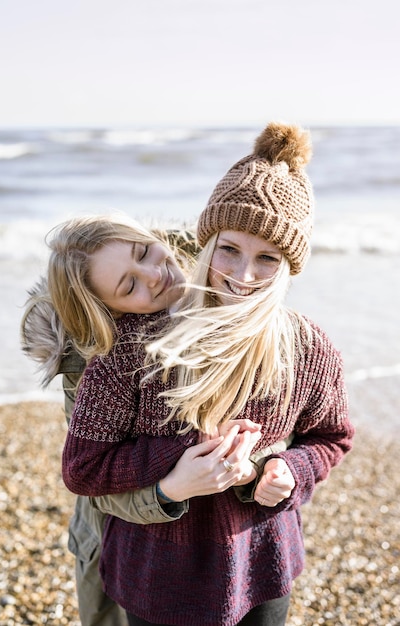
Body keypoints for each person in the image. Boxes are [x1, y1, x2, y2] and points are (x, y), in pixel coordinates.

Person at [61, 122, 354, 625]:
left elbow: (330, 437)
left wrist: (288, 471)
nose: (242, 275)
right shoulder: (134, 347)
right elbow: (83, 467)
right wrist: (181, 458)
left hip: (261, 564)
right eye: (229, 249)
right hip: (154, 575)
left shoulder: (308, 348)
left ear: (289, 266)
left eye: (267, 258)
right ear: (207, 241)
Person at [22, 216, 287, 626]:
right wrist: (169, 488)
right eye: (129, 286)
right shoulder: (97, 363)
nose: (155, 275)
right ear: (109, 311)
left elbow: (286, 408)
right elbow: (91, 475)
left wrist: (267, 461)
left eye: (145, 252)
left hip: (236, 536)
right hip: (129, 539)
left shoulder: (224, 269)